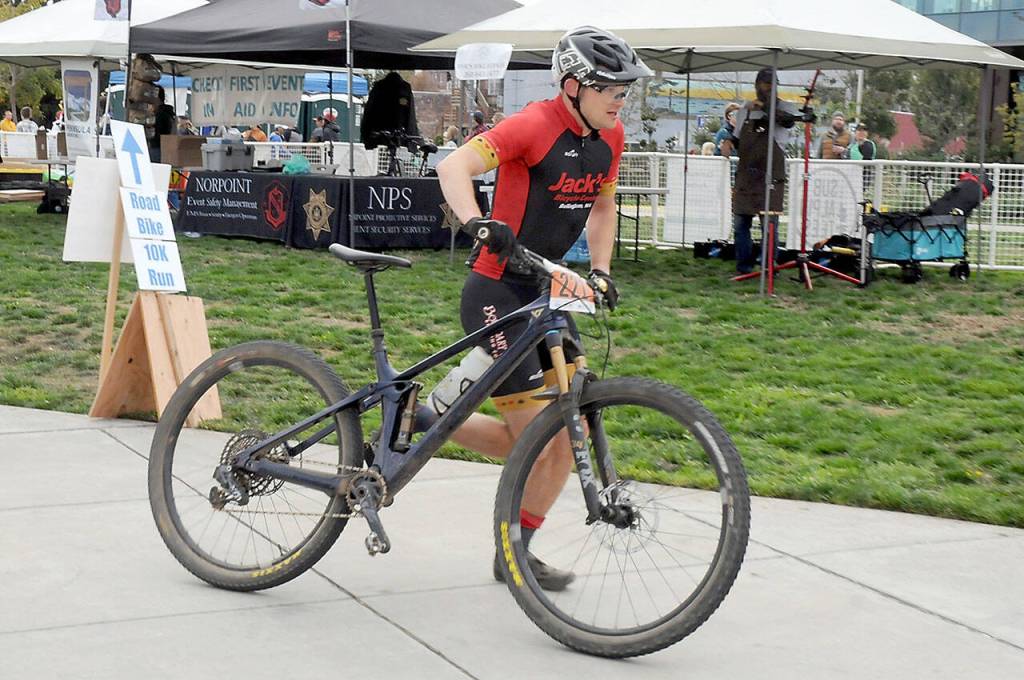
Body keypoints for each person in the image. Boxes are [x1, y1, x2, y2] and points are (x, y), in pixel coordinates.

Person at [435, 25, 651, 591]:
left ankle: (513, 552)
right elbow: (453, 168)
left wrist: (601, 270)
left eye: (626, 90)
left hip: (547, 290)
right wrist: (477, 224)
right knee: (538, 437)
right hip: (497, 291)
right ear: (575, 85)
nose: (621, 100)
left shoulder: (611, 136)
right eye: (613, 89)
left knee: (565, 431)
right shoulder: (534, 124)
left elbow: (603, 208)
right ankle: (427, 418)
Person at [728, 67, 801, 274]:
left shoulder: (786, 107)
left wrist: (766, 108)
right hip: (746, 173)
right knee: (741, 222)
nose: (767, 88)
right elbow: (737, 138)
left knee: (769, 224)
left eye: (770, 84)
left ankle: (768, 266)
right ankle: (744, 266)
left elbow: (786, 122)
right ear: (757, 86)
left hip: (771, 173)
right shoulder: (746, 109)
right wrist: (727, 142)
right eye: (763, 84)